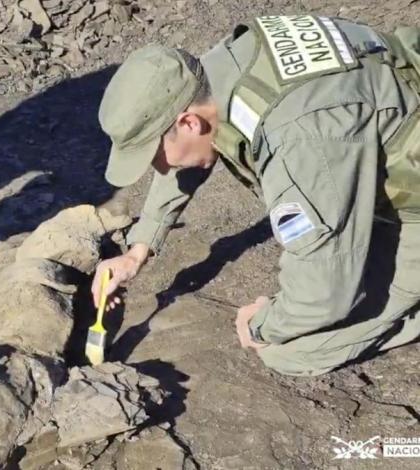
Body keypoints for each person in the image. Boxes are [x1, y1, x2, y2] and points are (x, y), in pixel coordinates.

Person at [92, 15, 420, 376]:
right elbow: (185, 157)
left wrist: (265, 323)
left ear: (188, 123)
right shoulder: (221, 68)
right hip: (392, 118)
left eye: (155, 156)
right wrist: (137, 251)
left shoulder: (297, 139)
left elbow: (324, 295)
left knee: (290, 350)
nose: (160, 168)